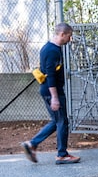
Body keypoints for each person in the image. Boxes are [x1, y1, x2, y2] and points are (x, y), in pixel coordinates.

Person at [21, 23, 80, 165]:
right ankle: (62, 155)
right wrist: (54, 97)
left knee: (57, 121)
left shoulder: (50, 48)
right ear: (62, 34)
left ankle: (32, 144)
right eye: (69, 36)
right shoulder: (52, 51)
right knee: (62, 121)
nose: (70, 39)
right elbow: (50, 75)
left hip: (48, 90)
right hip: (52, 91)